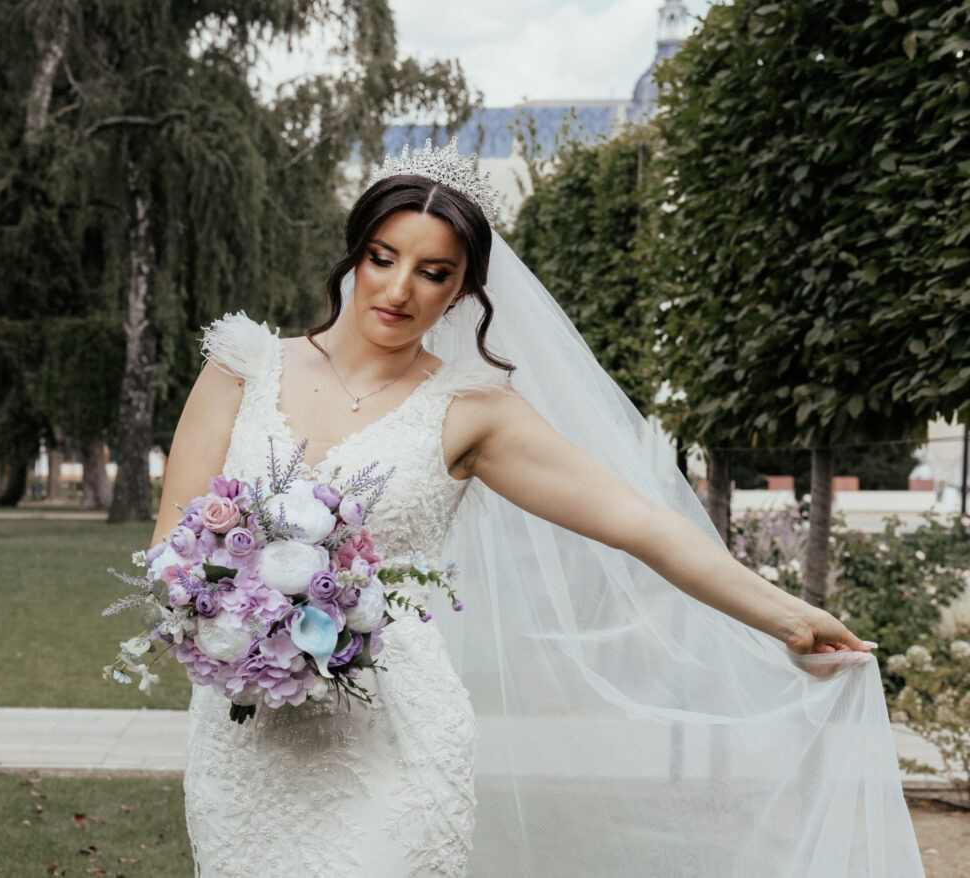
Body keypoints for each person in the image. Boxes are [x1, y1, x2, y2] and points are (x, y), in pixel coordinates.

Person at [158, 142, 921, 875]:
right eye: (382, 258)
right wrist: (244, 621)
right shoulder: (242, 369)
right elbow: (172, 556)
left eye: (433, 272)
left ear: (463, 288)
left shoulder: (472, 409)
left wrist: (786, 615)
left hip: (393, 737)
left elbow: (642, 523)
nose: (398, 291)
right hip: (247, 736)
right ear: (354, 253)